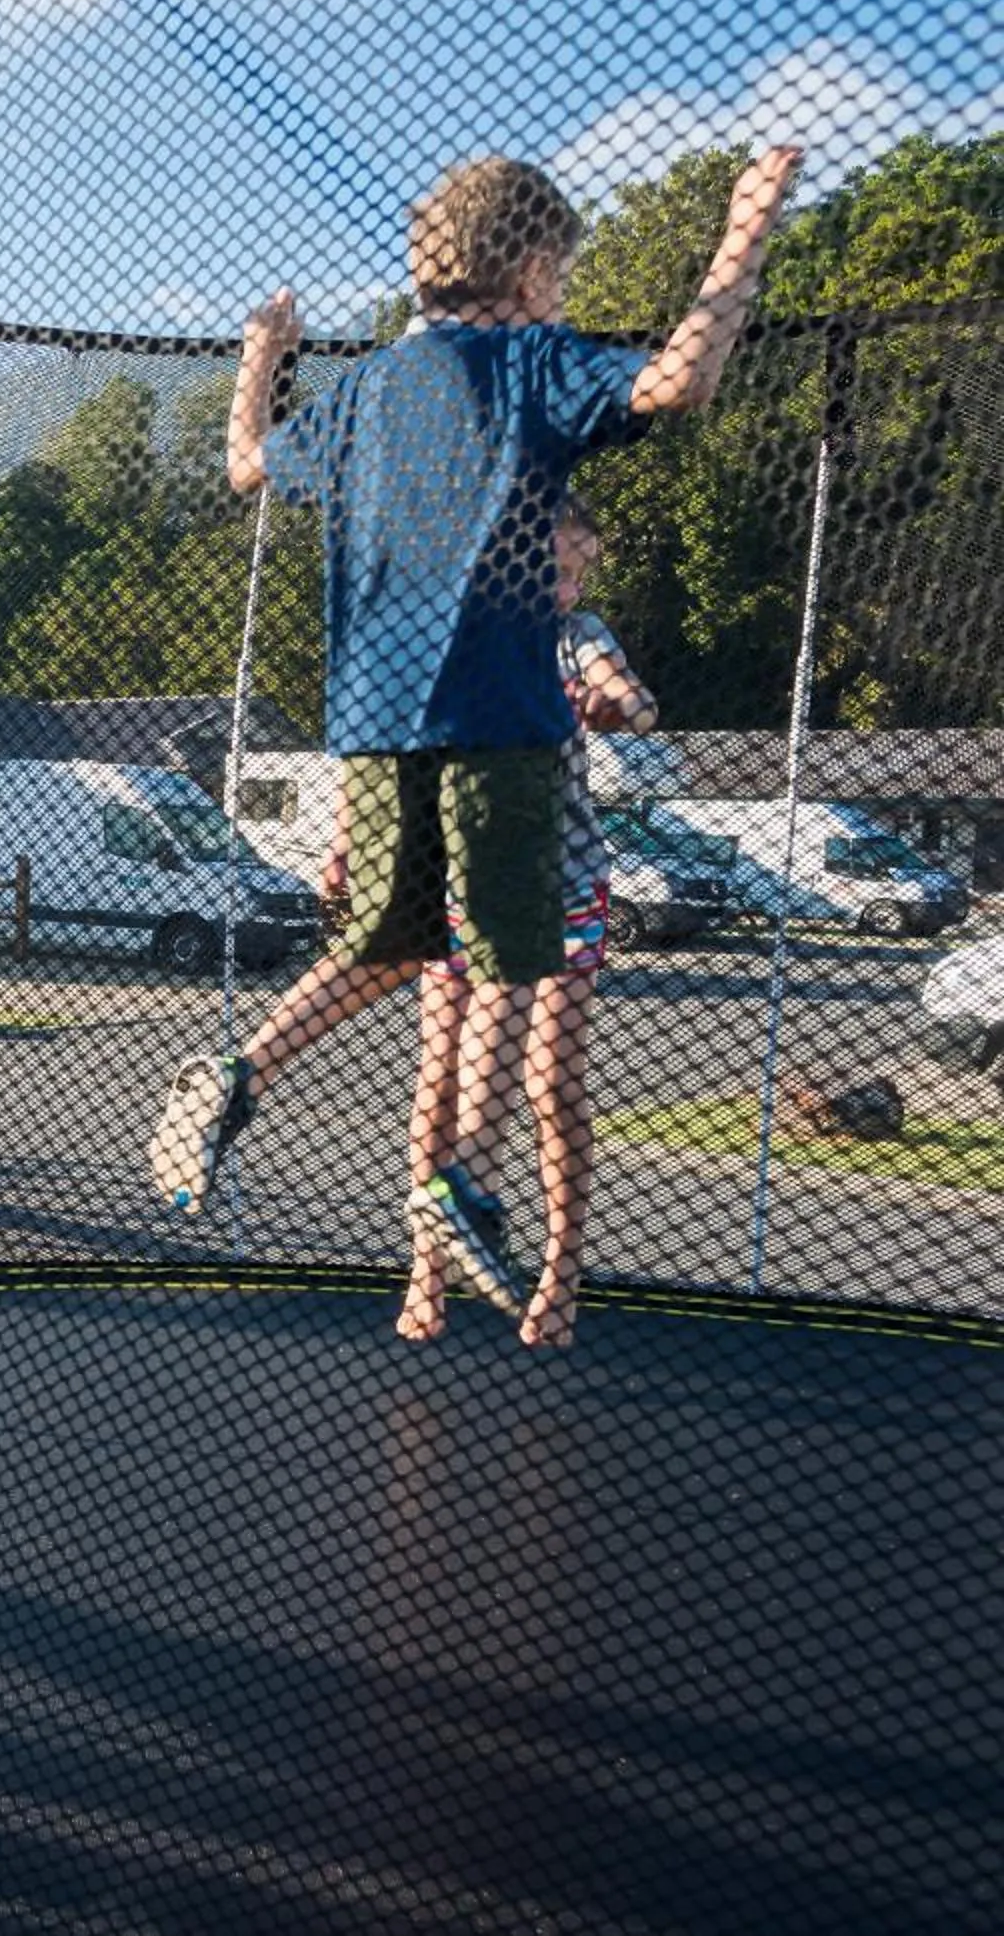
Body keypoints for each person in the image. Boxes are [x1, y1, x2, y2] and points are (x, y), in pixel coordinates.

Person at [148, 146, 800, 1313]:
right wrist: (743, 232)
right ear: (536, 269)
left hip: (372, 725)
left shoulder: (361, 392)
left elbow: (247, 465)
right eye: (564, 276)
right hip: (498, 719)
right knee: (509, 954)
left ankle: (239, 1073)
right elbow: (682, 379)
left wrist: (264, 355)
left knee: (387, 946)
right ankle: (460, 1186)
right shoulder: (536, 360)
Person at [400, 500, 656, 1346]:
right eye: (555, 570)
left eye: (580, 573)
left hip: (562, 885)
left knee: (549, 1084)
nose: (567, 588)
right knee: (439, 1080)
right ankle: (429, 1269)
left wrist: (623, 704)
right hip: (459, 887)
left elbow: (616, 682)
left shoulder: (574, 636)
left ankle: (560, 1274)